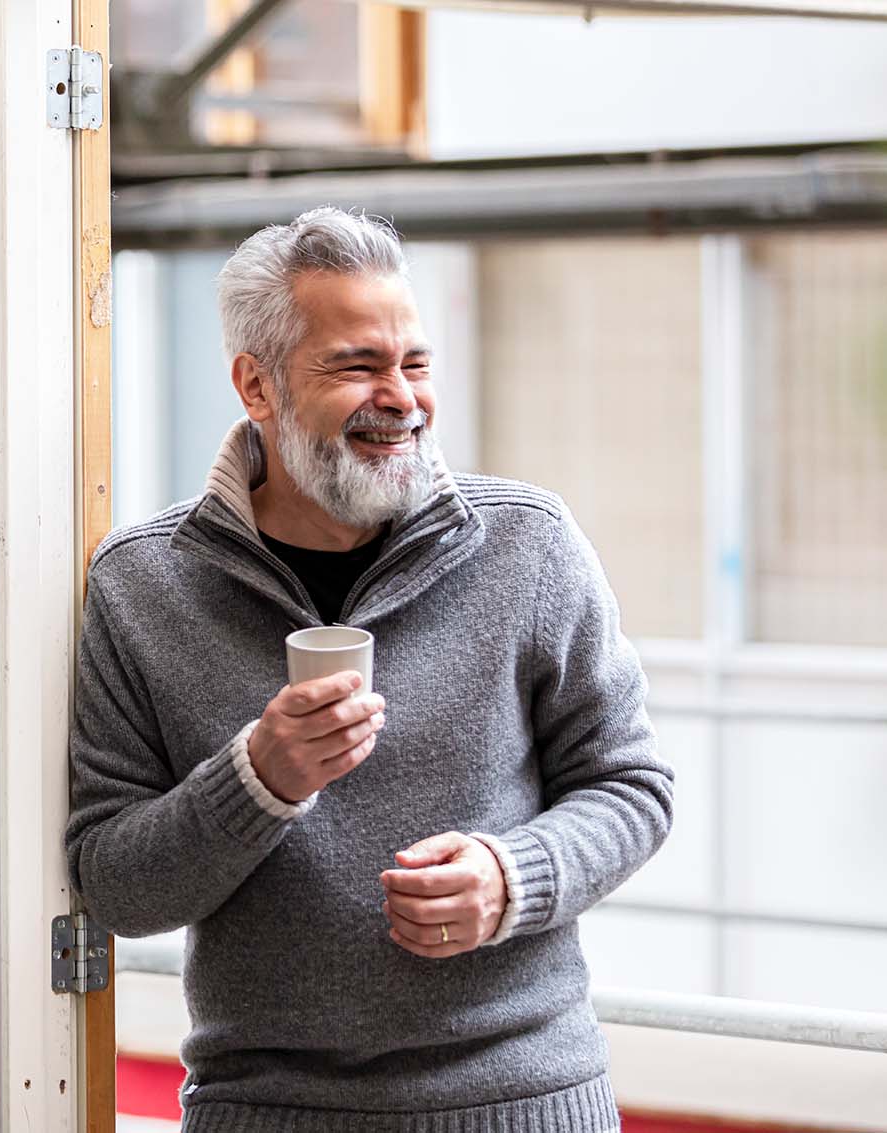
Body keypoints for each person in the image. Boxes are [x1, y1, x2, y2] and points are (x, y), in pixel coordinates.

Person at [66, 206, 675, 1133]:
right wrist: (257, 780)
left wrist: (515, 876)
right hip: (267, 1111)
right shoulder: (142, 584)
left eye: (415, 363)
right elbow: (113, 884)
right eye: (357, 366)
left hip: (526, 1103)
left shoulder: (528, 545)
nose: (402, 398)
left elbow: (632, 786)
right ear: (256, 385)